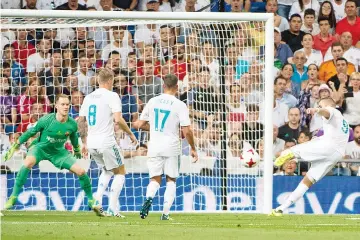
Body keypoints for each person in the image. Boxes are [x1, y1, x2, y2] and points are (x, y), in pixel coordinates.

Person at [2, 94, 104, 216]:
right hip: (40, 148)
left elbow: (73, 138)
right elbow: (31, 132)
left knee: (81, 171)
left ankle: (91, 200)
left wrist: (77, 149)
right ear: (56, 106)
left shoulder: (72, 124)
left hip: (58, 152)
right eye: (63, 104)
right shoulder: (46, 120)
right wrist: (15, 145)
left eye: (67, 104)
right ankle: (13, 197)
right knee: (28, 163)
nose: (65, 107)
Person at [133, 74, 198, 220]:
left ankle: (149, 198)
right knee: (171, 179)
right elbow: (187, 131)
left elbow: (139, 124)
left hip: (154, 146)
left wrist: (156, 129)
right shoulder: (180, 105)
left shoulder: (152, 101)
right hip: (172, 146)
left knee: (155, 179)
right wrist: (193, 148)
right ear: (177, 87)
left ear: (163, 86)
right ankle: (165, 214)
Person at [270, 97, 350, 216]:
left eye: (320, 105)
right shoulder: (343, 122)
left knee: (293, 150)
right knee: (307, 181)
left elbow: (327, 111)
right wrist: (318, 139)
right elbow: (334, 137)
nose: (319, 107)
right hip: (335, 155)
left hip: (329, 147)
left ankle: (276, 162)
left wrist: (317, 110)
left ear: (328, 105)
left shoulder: (334, 111)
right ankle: (281, 208)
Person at [77, 68, 137, 217]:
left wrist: (84, 142)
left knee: (107, 170)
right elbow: (118, 119)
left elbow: (81, 121)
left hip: (91, 142)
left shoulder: (88, 97)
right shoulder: (112, 95)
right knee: (120, 172)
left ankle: (97, 200)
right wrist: (130, 133)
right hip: (106, 141)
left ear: (98, 80)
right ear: (110, 81)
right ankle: (112, 208)